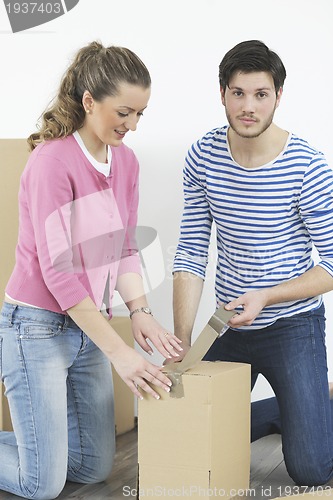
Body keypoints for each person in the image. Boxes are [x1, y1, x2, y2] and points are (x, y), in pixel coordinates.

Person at [0, 40, 182, 500]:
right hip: (36, 327)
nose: (132, 125)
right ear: (88, 101)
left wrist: (139, 310)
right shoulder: (52, 162)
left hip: (87, 326)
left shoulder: (127, 163)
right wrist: (120, 353)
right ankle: (37, 455)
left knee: (94, 465)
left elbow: (121, 245)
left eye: (140, 114)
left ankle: (39, 448)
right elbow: (60, 274)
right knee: (40, 485)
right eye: (124, 112)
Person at [172, 39, 333, 487]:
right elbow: (190, 250)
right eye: (238, 93)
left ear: (278, 96)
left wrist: (266, 295)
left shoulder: (308, 166)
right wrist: (185, 340)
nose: (248, 106)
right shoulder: (203, 156)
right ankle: (296, 405)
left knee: (310, 469)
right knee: (188, 441)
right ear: (222, 93)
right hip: (229, 324)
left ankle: (313, 404)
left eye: (260, 94)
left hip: (291, 324)